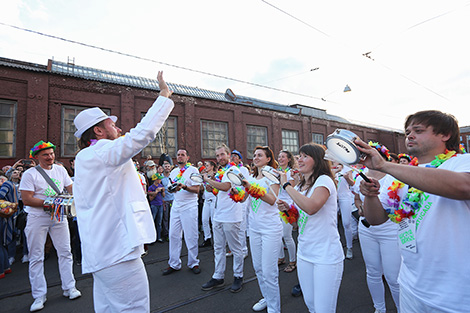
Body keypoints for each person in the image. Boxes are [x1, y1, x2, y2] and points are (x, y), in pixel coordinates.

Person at [72, 71, 174, 312]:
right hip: (118, 250)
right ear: (98, 131)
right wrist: (163, 96)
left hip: (104, 251)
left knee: (108, 308)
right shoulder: (102, 151)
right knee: (133, 307)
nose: (118, 128)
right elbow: (141, 136)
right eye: (112, 125)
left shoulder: (87, 156)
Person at [357, 110, 470, 313]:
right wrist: (370, 195)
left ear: (445, 135)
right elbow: (376, 219)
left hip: (454, 296)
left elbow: (464, 186)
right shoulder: (401, 175)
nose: (409, 135)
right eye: (407, 131)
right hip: (411, 286)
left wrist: (384, 165)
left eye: (418, 130)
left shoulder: (461, 162)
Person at [277, 143, 344, 313]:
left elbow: (312, 207)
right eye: (299, 156)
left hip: (325, 255)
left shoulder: (324, 180)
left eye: (305, 156)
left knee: (323, 310)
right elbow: (297, 222)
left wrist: (286, 186)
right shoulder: (301, 187)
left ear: (318, 161)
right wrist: (288, 209)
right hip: (305, 253)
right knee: (311, 304)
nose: (299, 159)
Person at [20, 141, 81, 312]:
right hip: (37, 217)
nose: (50, 157)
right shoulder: (30, 174)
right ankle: (39, 295)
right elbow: (27, 199)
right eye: (46, 154)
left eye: (52, 153)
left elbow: (71, 188)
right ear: (37, 157)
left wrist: (75, 200)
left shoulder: (61, 170)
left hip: (59, 216)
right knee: (36, 256)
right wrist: (52, 203)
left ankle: (69, 287)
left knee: (65, 252)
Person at [353, 142, 401, 313]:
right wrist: (359, 208)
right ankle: (379, 308)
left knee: (393, 277)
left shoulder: (394, 176)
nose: (364, 158)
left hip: (390, 231)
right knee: (372, 272)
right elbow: (357, 198)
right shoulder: (360, 176)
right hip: (366, 230)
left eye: (368, 154)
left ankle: (401, 309)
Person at [239, 146, 282, 313]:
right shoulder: (251, 176)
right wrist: (237, 189)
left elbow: (272, 200)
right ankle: (267, 297)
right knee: (258, 267)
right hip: (254, 228)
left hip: (270, 228)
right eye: (254, 155)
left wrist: (250, 188)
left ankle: (274, 308)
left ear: (268, 158)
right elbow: (243, 199)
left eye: (259, 155)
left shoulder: (272, 175)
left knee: (269, 271)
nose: (255, 158)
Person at [201, 144, 249, 293]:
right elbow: (219, 191)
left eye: (222, 154)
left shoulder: (233, 170)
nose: (220, 158)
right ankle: (218, 276)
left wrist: (208, 180)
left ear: (228, 155)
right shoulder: (221, 171)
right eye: (217, 155)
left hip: (231, 216)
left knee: (235, 248)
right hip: (219, 215)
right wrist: (211, 188)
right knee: (218, 247)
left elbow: (226, 186)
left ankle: (238, 275)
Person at [162, 149, 201, 275]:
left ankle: (193, 262)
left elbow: (197, 189)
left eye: (183, 155)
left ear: (187, 157)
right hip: (176, 206)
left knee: (191, 235)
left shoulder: (193, 171)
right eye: (178, 155)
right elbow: (171, 188)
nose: (180, 157)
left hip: (189, 206)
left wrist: (184, 187)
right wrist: (173, 189)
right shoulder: (174, 172)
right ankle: (174, 263)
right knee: (173, 235)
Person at [276, 150, 297, 272]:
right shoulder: (275, 172)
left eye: (283, 157)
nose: (280, 158)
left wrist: (280, 179)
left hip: (287, 206)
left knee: (286, 235)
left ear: (289, 159)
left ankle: (293, 261)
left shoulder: (290, 173)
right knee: (277, 234)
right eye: (279, 156)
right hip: (277, 205)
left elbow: (291, 189)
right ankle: (281, 257)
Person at [331, 161, 355, 259]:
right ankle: (336, 248)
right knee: (333, 224)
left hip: (345, 196)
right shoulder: (329, 168)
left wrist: (347, 178)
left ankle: (349, 247)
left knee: (346, 223)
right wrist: (335, 171)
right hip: (333, 197)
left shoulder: (346, 168)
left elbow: (352, 183)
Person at [199, 160, 217, 248]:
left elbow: (218, 186)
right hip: (206, 200)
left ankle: (217, 239)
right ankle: (207, 238)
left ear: (212, 166)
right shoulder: (204, 176)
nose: (205, 167)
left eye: (207, 165)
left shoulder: (216, 175)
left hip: (214, 199)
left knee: (214, 221)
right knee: (204, 220)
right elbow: (202, 188)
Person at [148, 173, 165, 243]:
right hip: (154, 205)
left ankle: (159, 237)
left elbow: (164, 196)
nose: (160, 180)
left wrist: (163, 191)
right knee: (153, 221)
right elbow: (151, 199)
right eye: (159, 179)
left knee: (159, 222)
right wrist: (156, 192)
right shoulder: (151, 187)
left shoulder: (161, 185)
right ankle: (151, 238)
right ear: (155, 179)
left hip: (160, 205)